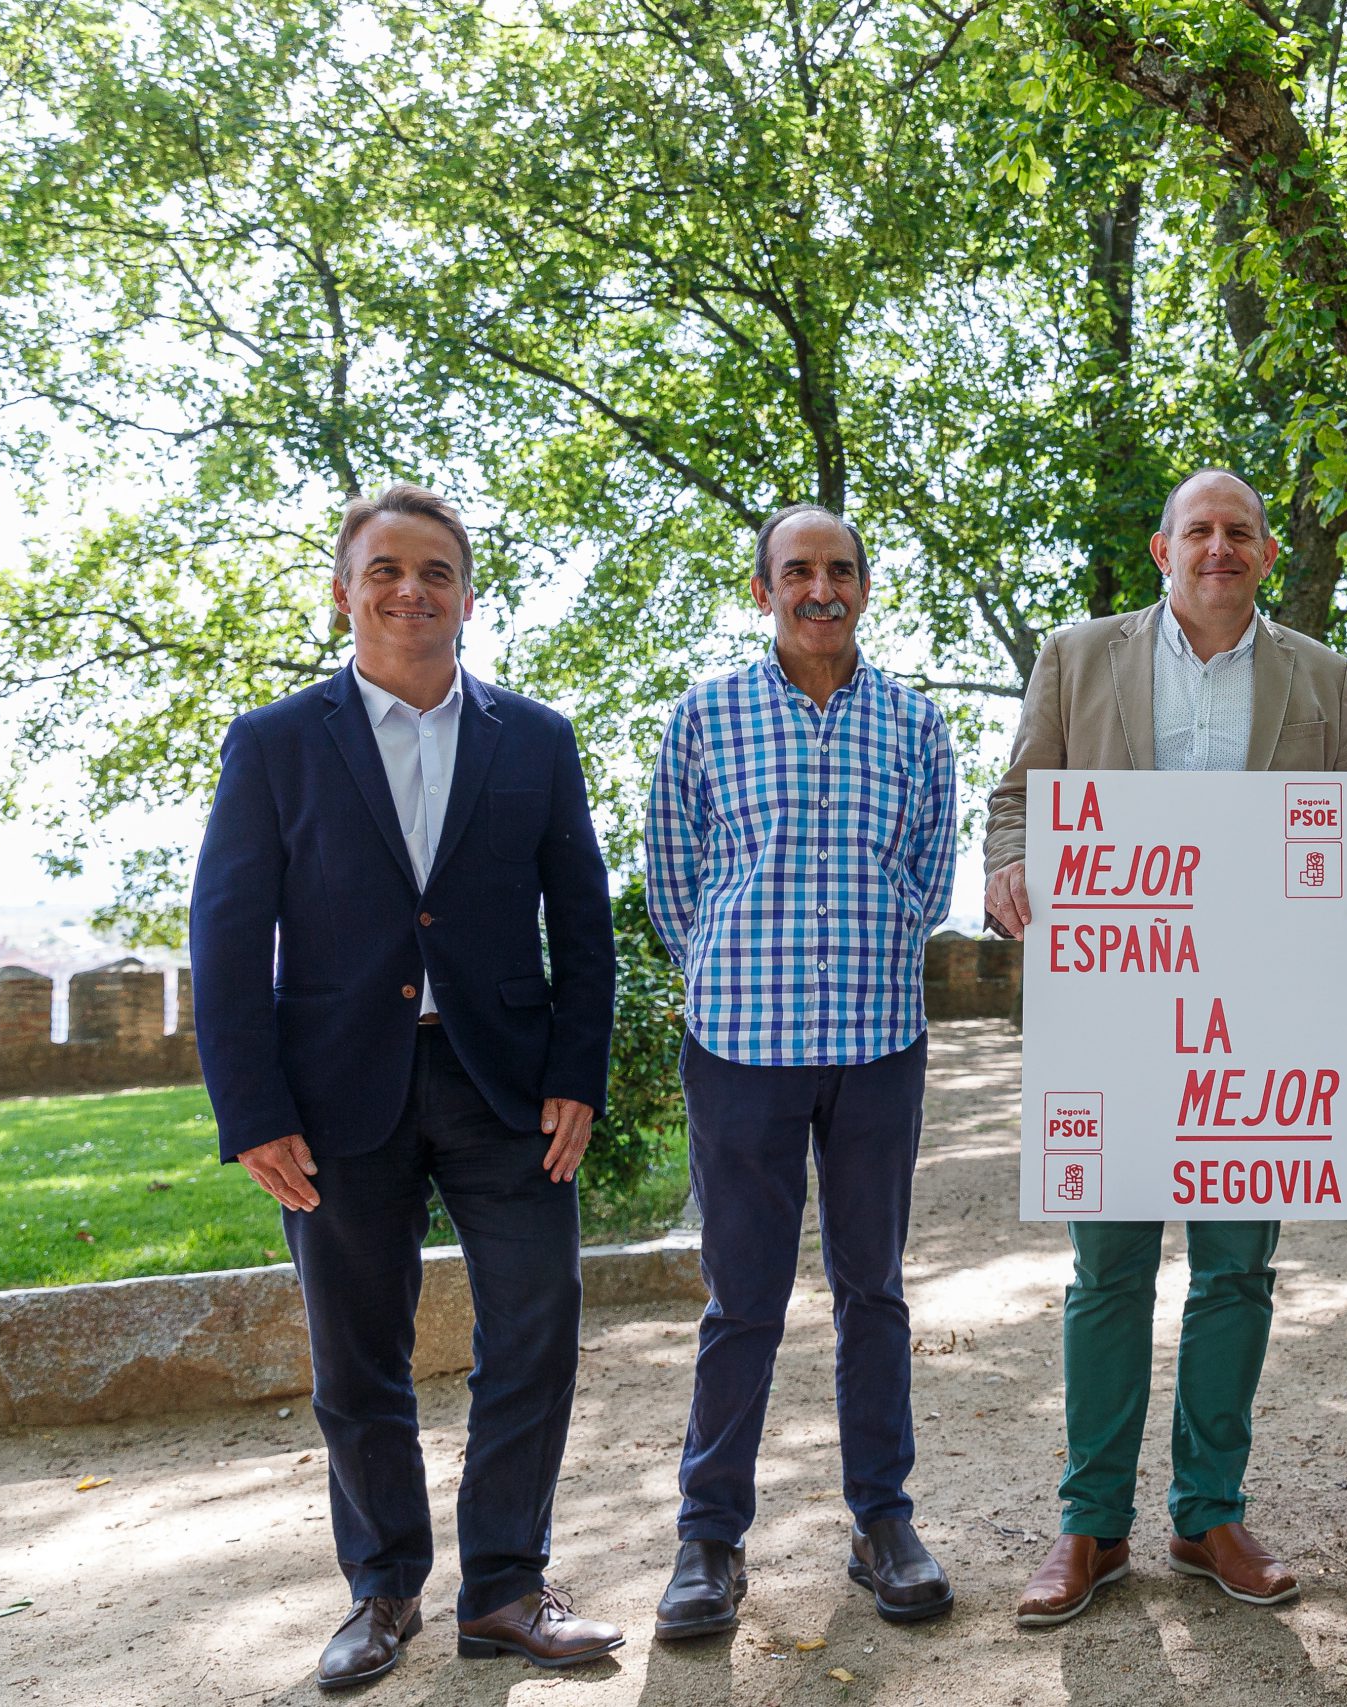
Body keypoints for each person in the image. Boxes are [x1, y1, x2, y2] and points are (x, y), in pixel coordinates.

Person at [190, 484, 623, 1686]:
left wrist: (576, 1073)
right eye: (384, 570)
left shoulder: (534, 739)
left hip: (508, 1092)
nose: (409, 590)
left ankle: (505, 1589)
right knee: (356, 1360)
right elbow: (225, 938)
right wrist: (253, 1111)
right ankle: (382, 1593)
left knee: (535, 1336)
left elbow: (582, 926)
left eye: (435, 571)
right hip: (333, 1104)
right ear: (345, 592)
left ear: (468, 599)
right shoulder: (275, 742)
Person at [985, 468, 1347, 1627]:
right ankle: (1091, 1525)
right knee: (1106, 1272)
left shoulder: (1320, 674)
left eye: (1240, 534)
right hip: (1114, 1010)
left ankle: (1209, 1511)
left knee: (1234, 1273)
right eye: (1198, 532)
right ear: (1163, 552)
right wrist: (1011, 866)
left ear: (1269, 557)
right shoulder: (1077, 654)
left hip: (1257, 1019)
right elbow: (1019, 797)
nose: (1219, 547)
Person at [644, 504, 959, 1633]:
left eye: (839, 570)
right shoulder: (705, 716)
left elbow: (929, 872)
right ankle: (708, 1539)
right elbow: (674, 876)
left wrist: (867, 953)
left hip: (878, 1042)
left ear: (863, 587)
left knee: (872, 1289)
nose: (819, 588)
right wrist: (731, 968)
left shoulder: (916, 725)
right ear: (764, 587)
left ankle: (882, 1521)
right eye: (797, 571)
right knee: (744, 1301)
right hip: (742, 1046)